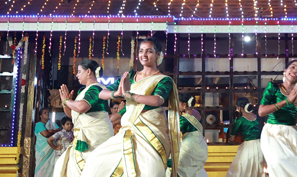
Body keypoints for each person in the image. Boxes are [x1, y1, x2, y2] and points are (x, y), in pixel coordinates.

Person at [80, 37, 180, 177]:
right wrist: (118, 93)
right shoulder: (131, 75)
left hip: (150, 132)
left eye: (149, 51)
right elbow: (101, 93)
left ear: (158, 55)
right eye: (141, 51)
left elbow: (157, 100)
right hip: (129, 130)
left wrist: (129, 95)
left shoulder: (163, 79)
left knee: (151, 171)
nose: (144, 55)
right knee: (96, 161)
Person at [53, 59, 112, 177]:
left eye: (79, 72)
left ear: (88, 71)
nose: (77, 75)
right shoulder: (82, 91)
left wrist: (67, 100)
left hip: (95, 138)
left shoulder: (97, 89)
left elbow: (81, 107)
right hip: (82, 137)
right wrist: (66, 103)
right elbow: (72, 114)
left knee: (93, 171)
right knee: (64, 166)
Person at [259, 59, 297, 177]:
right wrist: (287, 101)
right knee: (278, 163)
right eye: (293, 67)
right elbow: (261, 111)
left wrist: (296, 104)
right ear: (285, 71)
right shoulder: (273, 87)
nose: (295, 71)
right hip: (272, 133)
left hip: (293, 133)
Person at [226, 97, 266, 177]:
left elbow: (232, 137)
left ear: (240, 108)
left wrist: (230, 139)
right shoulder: (257, 117)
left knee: (244, 169)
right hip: (261, 146)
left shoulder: (240, 120)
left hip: (248, 147)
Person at [174, 93, 209, 177]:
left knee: (177, 166)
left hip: (189, 146)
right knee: (196, 169)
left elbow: (174, 131)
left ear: (184, 104)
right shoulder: (197, 114)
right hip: (200, 144)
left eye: (178, 103)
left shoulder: (183, 118)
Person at [35, 107, 61, 177]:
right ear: (41, 116)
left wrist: (52, 131)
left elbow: (60, 131)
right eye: (45, 113)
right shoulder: (39, 124)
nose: (47, 114)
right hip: (43, 150)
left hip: (52, 149)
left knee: (52, 167)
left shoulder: (52, 123)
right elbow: (46, 134)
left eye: (48, 113)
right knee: (42, 168)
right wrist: (54, 132)